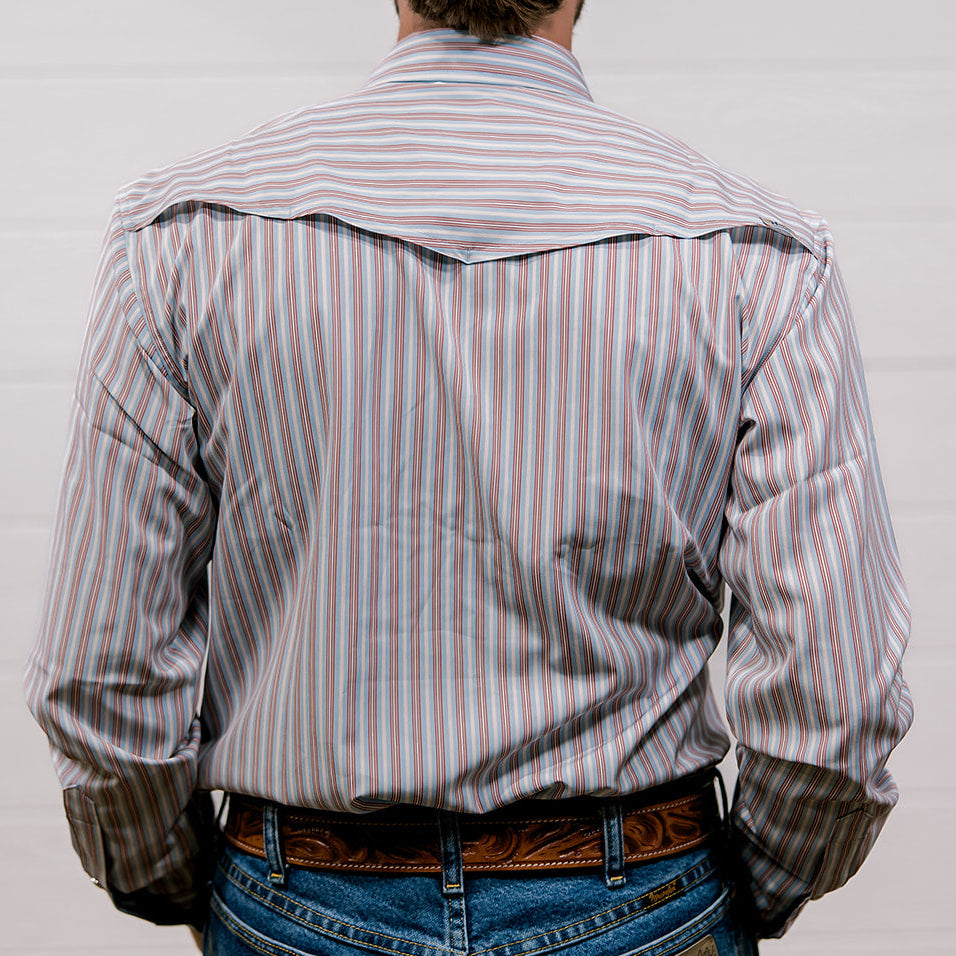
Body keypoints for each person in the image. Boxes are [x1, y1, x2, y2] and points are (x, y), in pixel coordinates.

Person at [23, 1, 913, 954]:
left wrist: (185, 882)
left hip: (296, 897)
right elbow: (834, 702)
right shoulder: (758, 255)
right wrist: (743, 891)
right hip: (646, 896)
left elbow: (103, 674)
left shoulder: (180, 239)